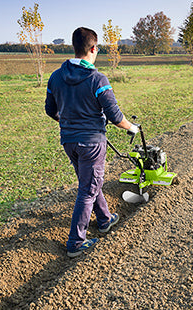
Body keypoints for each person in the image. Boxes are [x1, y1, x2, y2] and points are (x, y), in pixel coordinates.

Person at [45, 27, 139, 258]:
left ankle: (105, 219)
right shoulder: (97, 79)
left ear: (74, 47)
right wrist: (133, 127)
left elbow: (50, 110)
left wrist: (69, 121)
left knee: (89, 182)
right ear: (94, 48)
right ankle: (76, 242)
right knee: (88, 189)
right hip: (92, 143)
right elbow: (116, 117)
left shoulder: (56, 76)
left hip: (69, 141)